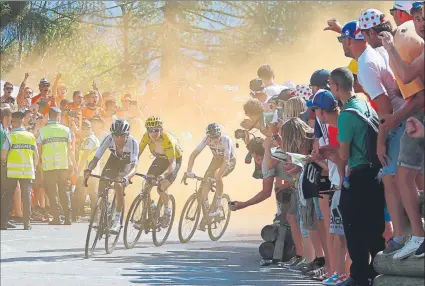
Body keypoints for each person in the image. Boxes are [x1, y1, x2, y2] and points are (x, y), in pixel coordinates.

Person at [329, 67, 385, 286]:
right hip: (376, 173)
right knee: (374, 227)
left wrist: (330, 153)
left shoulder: (346, 115)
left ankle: (359, 275)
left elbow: (344, 154)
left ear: (335, 86)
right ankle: (379, 273)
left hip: (359, 174)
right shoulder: (364, 103)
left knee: (353, 225)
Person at [83, 120, 138, 234]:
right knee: (102, 185)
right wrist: (89, 170)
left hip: (127, 165)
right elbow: (96, 158)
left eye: (122, 136)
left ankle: (117, 220)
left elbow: (134, 168)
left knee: (118, 185)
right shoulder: (108, 139)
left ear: (127, 135)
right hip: (113, 161)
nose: (118, 139)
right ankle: (105, 212)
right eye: (115, 136)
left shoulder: (133, 143)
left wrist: (127, 178)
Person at [138, 116, 183, 228]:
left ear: (161, 130)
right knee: (147, 185)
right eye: (150, 131)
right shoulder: (146, 137)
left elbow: (171, 164)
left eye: (156, 130)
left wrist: (164, 175)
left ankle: (167, 212)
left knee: (161, 187)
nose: (153, 133)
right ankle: (145, 216)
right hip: (159, 159)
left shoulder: (167, 139)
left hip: (173, 160)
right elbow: (137, 154)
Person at [186, 123, 236, 221]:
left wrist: (217, 176)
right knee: (205, 185)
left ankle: (217, 205)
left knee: (218, 175)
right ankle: (207, 210)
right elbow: (193, 155)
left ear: (220, 134)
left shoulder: (226, 140)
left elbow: (226, 161)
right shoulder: (207, 139)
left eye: (217, 137)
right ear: (209, 136)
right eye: (212, 137)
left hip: (229, 161)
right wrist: (189, 171)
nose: (215, 139)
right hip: (216, 160)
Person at [37, 107, 77, 225]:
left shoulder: (42, 131)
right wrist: (74, 166)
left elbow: (39, 150)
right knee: (64, 191)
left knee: (52, 192)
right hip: (63, 166)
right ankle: (68, 218)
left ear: (49, 116)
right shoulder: (66, 130)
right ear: (59, 117)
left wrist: (39, 164)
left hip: (49, 167)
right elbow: (70, 150)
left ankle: (56, 218)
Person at [1, 111, 38, 230]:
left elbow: (3, 155)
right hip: (27, 171)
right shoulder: (30, 136)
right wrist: (34, 167)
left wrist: (4, 163)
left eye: (12, 121)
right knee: (26, 196)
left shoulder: (10, 136)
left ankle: (3, 223)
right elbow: (36, 155)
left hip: (12, 171)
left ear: (16, 122)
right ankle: (27, 224)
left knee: (8, 196)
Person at [73, 120, 99, 221]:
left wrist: (78, 171)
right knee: (91, 194)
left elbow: (84, 157)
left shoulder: (90, 140)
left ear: (90, 128)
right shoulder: (90, 138)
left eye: (86, 128)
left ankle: (74, 215)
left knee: (79, 194)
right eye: (83, 128)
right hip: (91, 171)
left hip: (87, 172)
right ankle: (94, 216)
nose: (84, 130)